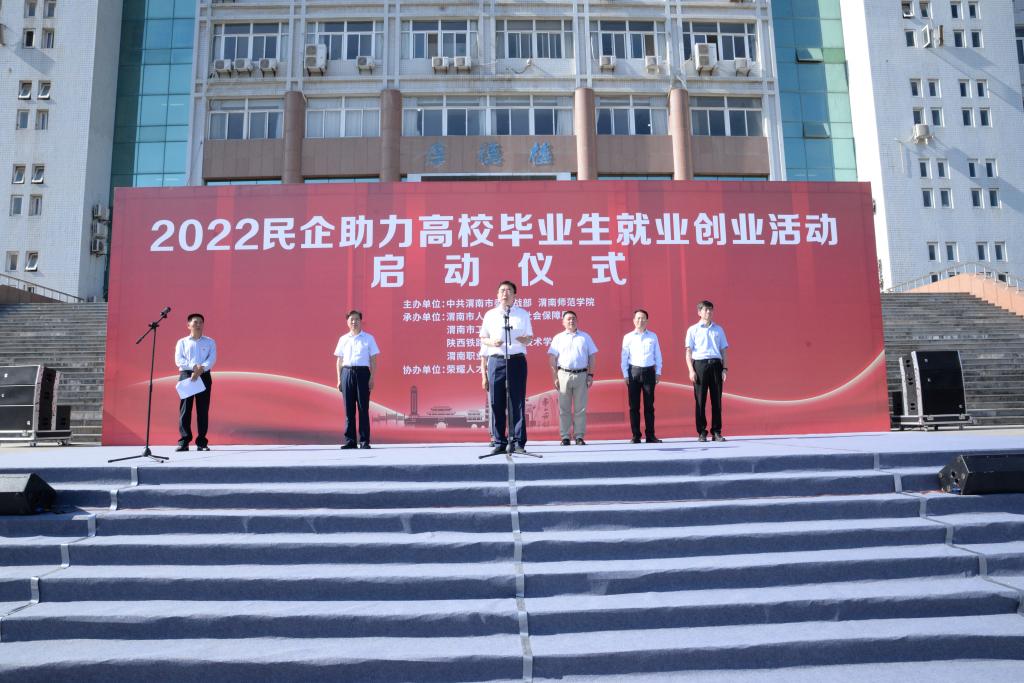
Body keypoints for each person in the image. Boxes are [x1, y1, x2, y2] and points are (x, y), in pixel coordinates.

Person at [479, 280, 533, 455]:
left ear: (514, 295)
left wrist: (524, 339)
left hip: (517, 361)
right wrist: (492, 342)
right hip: (496, 360)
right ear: (497, 295)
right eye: (502, 290)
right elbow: (483, 338)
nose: (505, 293)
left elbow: (529, 338)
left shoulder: (523, 314)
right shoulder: (490, 315)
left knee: (517, 402)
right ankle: (499, 441)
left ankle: (518, 442)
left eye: (509, 290)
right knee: (496, 401)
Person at [547, 311, 598, 446]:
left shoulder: (585, 337)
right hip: (563, 374)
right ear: (563, 322)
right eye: (568, 319)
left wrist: (590, 375)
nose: (571, 321)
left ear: (577, 321)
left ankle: (579, 436)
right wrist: (555, 377)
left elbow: (592, 357)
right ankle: (565, 436)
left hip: (581, 375)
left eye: (573, 318)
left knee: (580, 408)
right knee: (564, 408)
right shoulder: (558, 338)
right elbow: (552, 358)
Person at [334, 310, 380, 449]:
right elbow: (339, 361)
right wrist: (339, 379)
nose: (354, 322)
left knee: (363, 408)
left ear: (361, 321)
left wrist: (372, 377)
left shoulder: (369, 338)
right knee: (349, 409)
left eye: (357, 319)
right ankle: (350, 441)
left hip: (363, 373)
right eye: (351, 319)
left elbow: (373, 360)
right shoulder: (343, 339)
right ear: (347, 322)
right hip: (347, 373)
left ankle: (364, 441)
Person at [685, 300, 729, 443]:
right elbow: (688, 352)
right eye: (705, 310)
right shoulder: (693, 330)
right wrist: (691, 370)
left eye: (710, 309)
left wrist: (724, 369)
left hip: (716, 365)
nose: (708, 312)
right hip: (700, 366)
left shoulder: (719, 330)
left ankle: (716, 432)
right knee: (700, 400)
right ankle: (702, 432)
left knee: (717, 400)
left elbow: (723, 351)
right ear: (699, 312)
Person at [174, 313, 217, 452]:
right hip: (186, 375)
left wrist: (201, 369)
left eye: (200, 322)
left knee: (203, 410)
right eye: (195, 322)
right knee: (185, 409)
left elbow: (212, 359)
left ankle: (202, 442)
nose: (198, 324)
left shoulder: (210, 342)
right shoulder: (182, 342)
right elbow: (179, 360)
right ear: (188, 325)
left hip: (204, 375)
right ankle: (184, 441)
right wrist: (194, 367)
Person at [621, 309, 662, 444]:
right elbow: (624, 357)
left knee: (649, 406)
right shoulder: (628, 337)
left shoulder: (653, 336)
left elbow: (658, 355)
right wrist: (625, 374)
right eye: (638, 318)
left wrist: (658, 372)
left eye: (643, 318)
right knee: (634, 406)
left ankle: (650, 435)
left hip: (649, 372)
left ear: (647, 321)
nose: (640, 320)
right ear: (634, 321)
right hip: (633, 372)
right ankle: (636, 436)